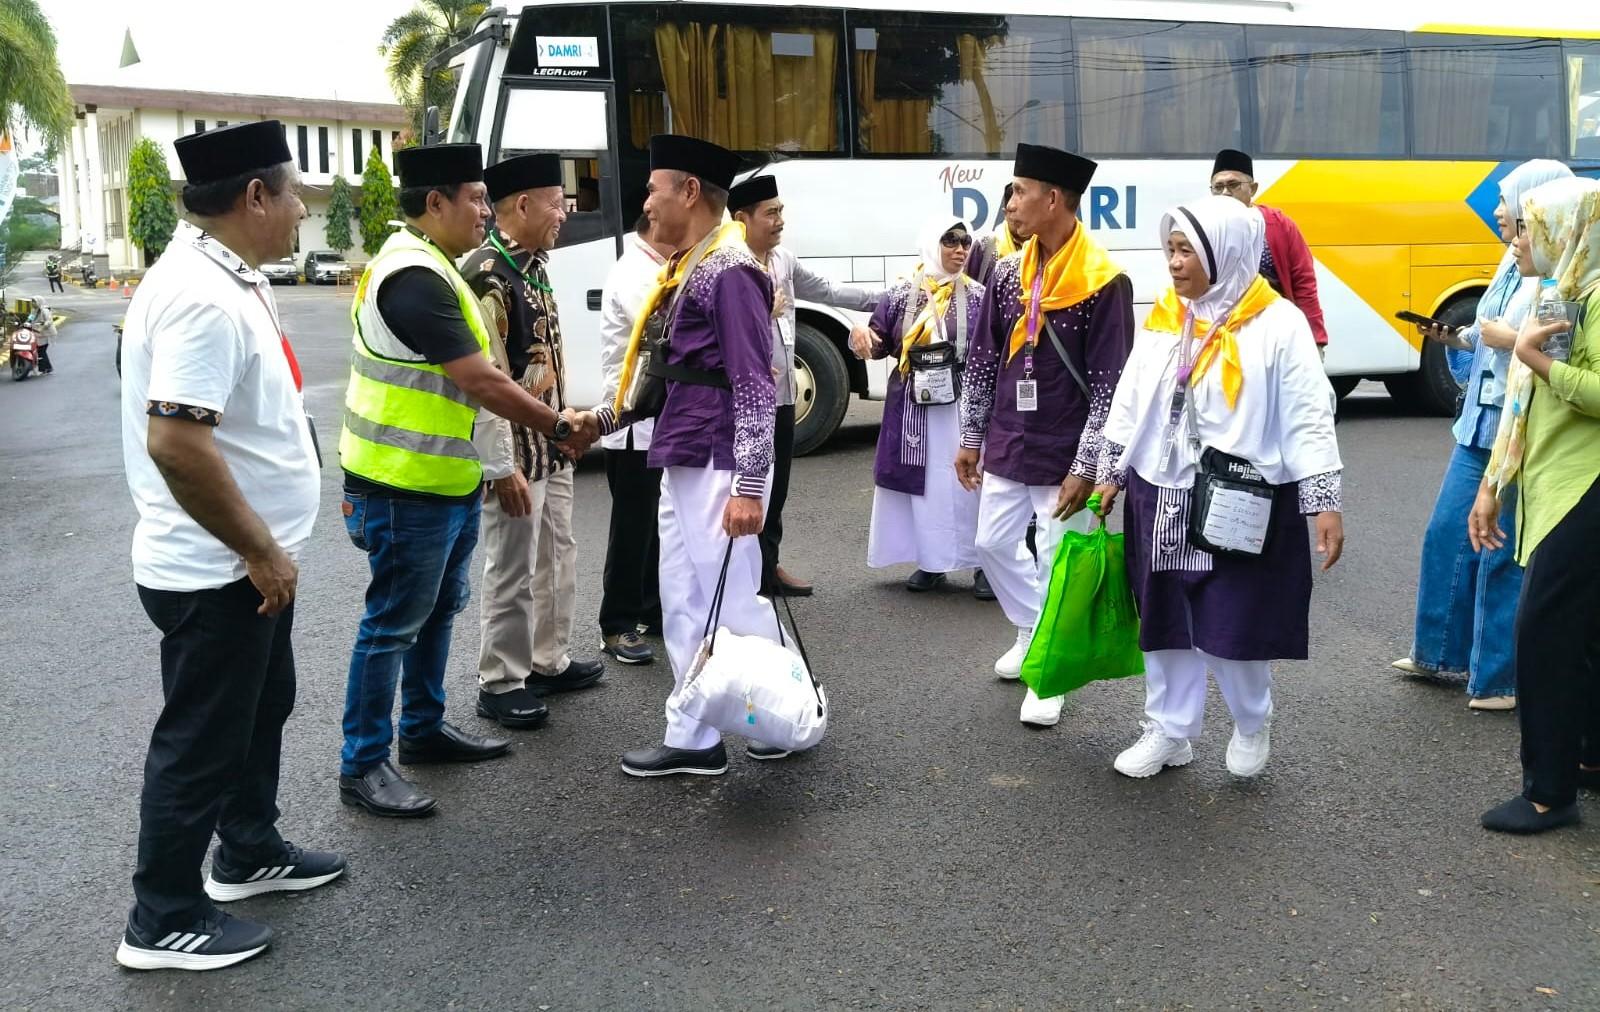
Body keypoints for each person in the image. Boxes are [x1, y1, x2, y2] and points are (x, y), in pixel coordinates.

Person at [115, 120, 343, 971]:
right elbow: (176, 442)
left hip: (248, 561)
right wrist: (258, 550)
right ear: (254, 196)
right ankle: (162, 916)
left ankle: (247, 851)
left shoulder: (230, 274)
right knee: (203, 738)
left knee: (261, 708)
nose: (297, 213)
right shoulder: (201, 296)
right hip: (218, 567)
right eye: (291, 196)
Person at [337, 143, 587, 818]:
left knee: (437, 611)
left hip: (439, 478)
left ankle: (420, 730)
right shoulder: (413, 275)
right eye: (476, 198)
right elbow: (481, 379)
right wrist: (559, 427)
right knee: (391, 625)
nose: (487, 210)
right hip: (398, 484)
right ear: (435, 203)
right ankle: (362, 763)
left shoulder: (437, 267)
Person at [1094, 195, 1344, 780]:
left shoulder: (1278, 322)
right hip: (1160, 490)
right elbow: (1130, 397)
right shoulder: (1166, 315)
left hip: (1240, 495)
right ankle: (1169, 730)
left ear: (1224, 252)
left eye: (1186, 251)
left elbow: (1310, 413)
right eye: (1171, 250)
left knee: (1235, 621)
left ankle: (1252, 721)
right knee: (1164, 617)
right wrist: (1109, 471)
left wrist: (1323, 500)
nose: (1175, 263)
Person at [605, 135, 785, 777]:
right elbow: (663, 375)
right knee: (681, 598)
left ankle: (779, 718)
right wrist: (601, 417)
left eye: (655, 188)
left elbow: (754, 383)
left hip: (716, 458)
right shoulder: (687, 268)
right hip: (681, 452)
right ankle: (693, 736)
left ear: (688, 191)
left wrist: (750, 485)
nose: (647, 202)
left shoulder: (730, 270)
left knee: (733, 601)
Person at [956, 143, 1135, 728]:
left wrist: (1090, 466)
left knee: (1060, 556)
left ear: (1053, 198)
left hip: (1067, 449)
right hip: (1011, 439)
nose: (1009, 203)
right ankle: (1036, 630)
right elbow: (982, 361)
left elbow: (1112, 387)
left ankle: (1050, 672)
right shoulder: (1007, 272)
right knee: (990, 543)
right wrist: (970, 436)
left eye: (1018, 190)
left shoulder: (1104, 281)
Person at [1393, 160, 1573, 708]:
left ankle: (1498, 680)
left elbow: (1555, 346)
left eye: (1507, 200)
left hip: (1516, 424)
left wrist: (1508, 335)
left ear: (1535, 205)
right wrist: (1454, 336)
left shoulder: (1558, 263)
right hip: (1478, 419)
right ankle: (1438, 653)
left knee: (1497, 549)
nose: (1497, 210)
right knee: (1447, 533)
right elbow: (1488, 329)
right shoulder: (1509, 259)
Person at [1472, 176, 1600, 835]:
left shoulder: (1596, 294)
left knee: (1545, 633)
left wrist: (1535, 358)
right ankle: (1586, 760)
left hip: (1586, 485)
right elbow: (1523, 406)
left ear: (1563, 228)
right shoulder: (1560, 290)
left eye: (1526, 227)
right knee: (1582, 632)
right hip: (1559, 482)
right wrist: (1492, 485)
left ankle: (1549, 794)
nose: (1516, 239)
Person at [463, 152, 606, 731]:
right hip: (515, 455)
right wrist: (500, 467)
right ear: (521, 205)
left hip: (552, 444)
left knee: (557, 553)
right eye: (556, 203)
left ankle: (549, 658)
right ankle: (501, 680)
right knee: (511, 565)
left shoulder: (534, 266)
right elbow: (484, 383)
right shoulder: (487, 274)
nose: (564, 215)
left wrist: (565, 426)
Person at [727, 173, 882, 599]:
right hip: (744, 404)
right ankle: (739, 577)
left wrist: (890, 299)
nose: (780, 221)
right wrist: (761, 306)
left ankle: (767, 569)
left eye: (782, 212)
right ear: (742, 220)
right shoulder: (729, 267)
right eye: (771, 213)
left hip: (782, 398)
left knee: (776, 491)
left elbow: (827, 290)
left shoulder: (783, 260)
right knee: (743, 490)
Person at [851, 215, 986, 595]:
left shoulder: (979, 296)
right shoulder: (900, 294)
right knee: (926, 485)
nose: (960, 249)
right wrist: (862, 338)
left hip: (962, 407)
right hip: (914, 410)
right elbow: (879, 341)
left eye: (965, 242)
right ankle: (931, 561)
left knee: (970, 482)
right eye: (951, 241)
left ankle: (983, 565)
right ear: (932, 243)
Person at [597, 214, 672, 666]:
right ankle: (616, 624)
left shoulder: (660, 265)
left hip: (655, 419)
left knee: (655, 525)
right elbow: (664, 323)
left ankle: (653, 608)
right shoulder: (634, 271)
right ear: (656, 227)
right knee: (631, 529)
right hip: (630, 423)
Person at [1210, 149, 1328, 357]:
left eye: (1233, 185)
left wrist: (1315, 341)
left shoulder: (1279, 225)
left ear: (1253, 189)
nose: (1225, 193)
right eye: (1218, 187)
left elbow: (1304, 284)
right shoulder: (1205, 230)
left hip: (1277, 334)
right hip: (1225, 338)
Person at [964, 182, 1027, 289]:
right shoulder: (985, 245)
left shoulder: (1043, 246)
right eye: (1015, 213)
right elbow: (968, 288)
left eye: (1025, 213)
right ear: (1005, 213)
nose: (1021, 218)